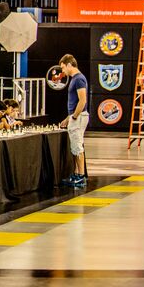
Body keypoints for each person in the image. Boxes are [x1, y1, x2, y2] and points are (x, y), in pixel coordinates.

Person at [59, 54, 89, 188]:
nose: (63, 71)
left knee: (77, 146)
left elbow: (82, 100)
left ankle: (81, 176)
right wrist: (68, 118)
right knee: (75, 147)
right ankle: (77, 174)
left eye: (63, 67)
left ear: (70, 65)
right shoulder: (75, 79)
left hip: (79, 116)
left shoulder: (79, 79)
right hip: (75, 116)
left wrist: (75, 116)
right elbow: (75, 102)